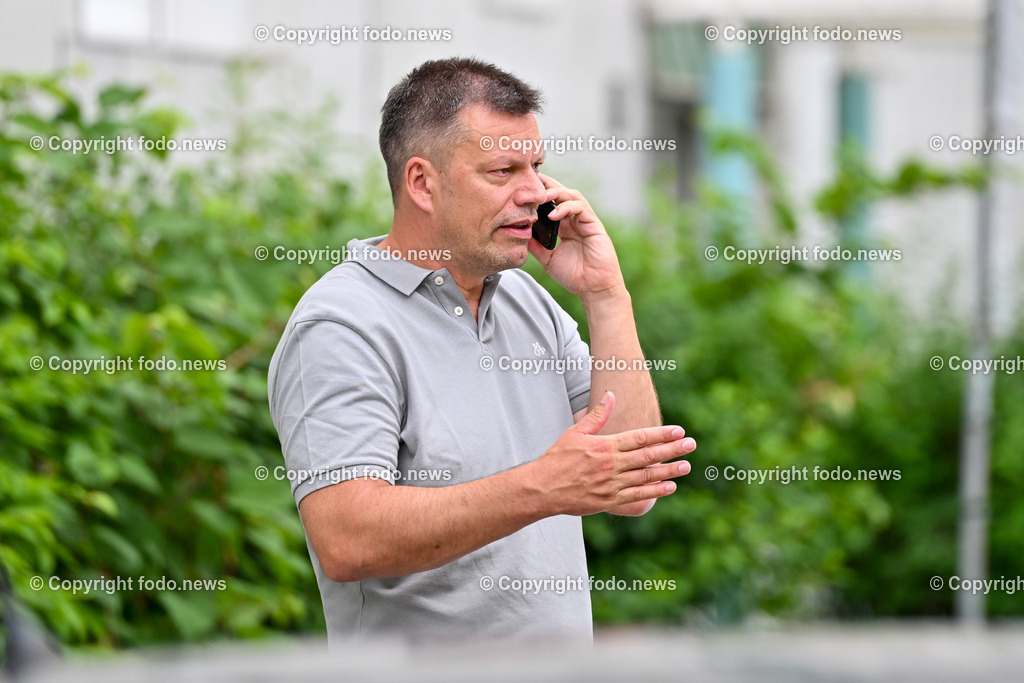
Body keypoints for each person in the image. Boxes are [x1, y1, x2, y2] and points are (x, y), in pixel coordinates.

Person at [267, 57, 696, 646]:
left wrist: (607, 295)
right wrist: (542, 486)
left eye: (536, 167)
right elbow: (347, 539)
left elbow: (635, 482)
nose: (536, 195)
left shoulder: (529, 302)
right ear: (422, 183)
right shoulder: (341, 325)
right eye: (502, 171)